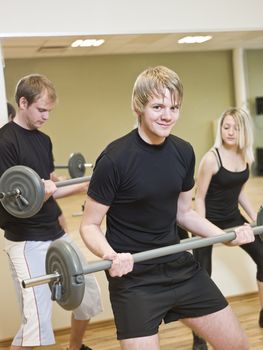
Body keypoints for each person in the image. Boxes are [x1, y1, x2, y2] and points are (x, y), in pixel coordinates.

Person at [79, 66, 255, 350]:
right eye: (157, 106)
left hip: (178, 265)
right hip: (134, 277)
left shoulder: (183, 152)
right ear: (138, 106)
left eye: (174, 107)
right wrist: (110, 254)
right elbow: (89, 225)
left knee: (238, 346)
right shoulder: (114, 159)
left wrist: (229, 235)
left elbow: (184, 213)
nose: (167, 115)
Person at [0, 74, 102, 350]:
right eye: (41, 110)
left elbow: (48, 186)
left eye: (49, 111)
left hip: (55, 235)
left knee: (88, 297)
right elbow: (10, 198)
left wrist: (80, 187)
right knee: (36, 325)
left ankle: (75, 348)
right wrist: (43, 191)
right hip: (25, 241)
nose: (46, 116)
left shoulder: (43, 140)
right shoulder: (5, 142)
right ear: (23, 102)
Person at [192, 107, 263, 349]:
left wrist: (257, 219)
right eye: (226, 126)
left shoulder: (245, 156)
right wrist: (201, 231)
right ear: (220, 128)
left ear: (243, 130)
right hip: (207, 219)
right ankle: (199, 337)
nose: (230, 132)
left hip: (232, 217)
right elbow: (199, 197)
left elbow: (239, 192)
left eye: (235, 127)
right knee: (202, 276)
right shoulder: (212, 158)